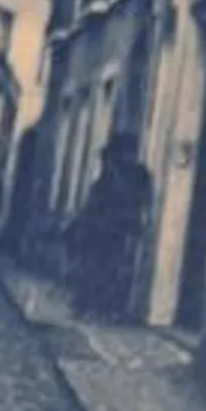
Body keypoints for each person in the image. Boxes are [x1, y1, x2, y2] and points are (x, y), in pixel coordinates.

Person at [70, 130, 154, 319]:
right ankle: (94, 306)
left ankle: (98, 306)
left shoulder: (130, 176)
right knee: (103, 268)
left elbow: (140, 202)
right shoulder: (112, 178)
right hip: (108, 230)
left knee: (106, 269)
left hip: (112, 230)